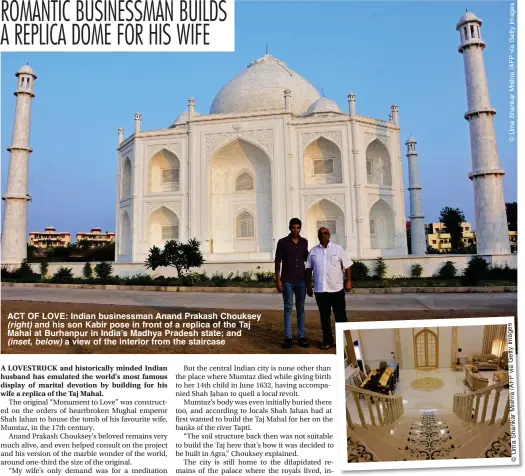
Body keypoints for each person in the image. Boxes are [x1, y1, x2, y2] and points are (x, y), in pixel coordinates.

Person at [306, 227, 352, 350]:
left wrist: (348, 281)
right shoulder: (313, 251)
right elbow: (308, 269)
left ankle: (344, 343)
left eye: (325, 233)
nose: (323, 235)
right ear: (318, 236)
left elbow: (347, 266)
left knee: (341, 316)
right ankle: (327, 341)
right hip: (321, 290)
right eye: (320, 234)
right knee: (324, 317)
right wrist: (308, 286)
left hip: (336, 289)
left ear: (329, 235)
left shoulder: (338, 249)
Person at [274, 218, 309, 349]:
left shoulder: (304, 242)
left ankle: (301, 337)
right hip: (287, 280)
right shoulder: (283, 242)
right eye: (293, 228)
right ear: (289, 228)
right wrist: (277, 279)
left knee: (301, 309)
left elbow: (307, 259)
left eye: (298, 228)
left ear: (300, 228)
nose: (295, 230)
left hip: (301, 280)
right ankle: (288, 337)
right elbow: (277, 261)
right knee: (288, 309)